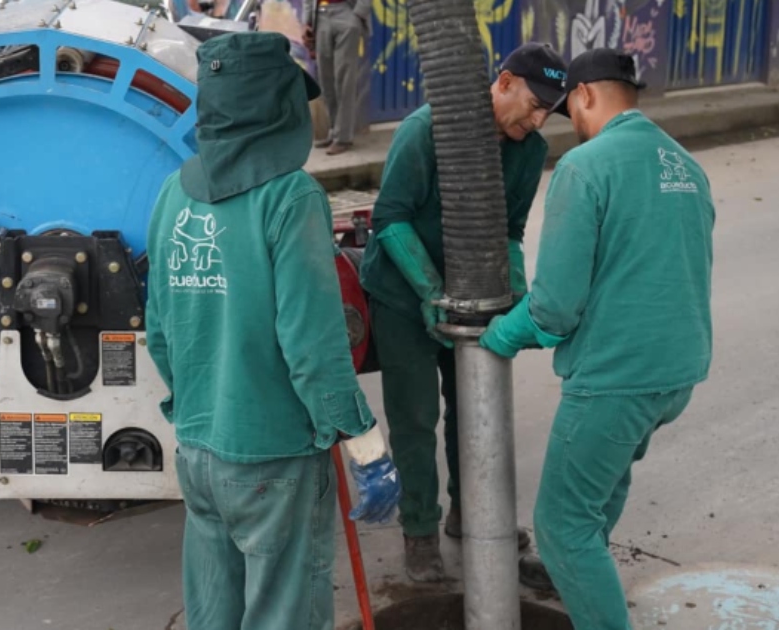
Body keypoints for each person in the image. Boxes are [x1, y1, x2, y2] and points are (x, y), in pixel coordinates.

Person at [144, 31, 402, 630]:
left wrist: (195, 409)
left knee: (214, 611)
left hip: (199, 452)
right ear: (276, 104)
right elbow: (314, 346)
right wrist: (365, 446)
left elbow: (159, 329)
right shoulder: (290, 196)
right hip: (274, 457)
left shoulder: (173, 194)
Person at [479, 48, 715, 629]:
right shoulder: (685, 165)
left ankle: (593, 598)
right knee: (602, 489)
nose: (568, 124)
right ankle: (584, 582)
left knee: (562, 526)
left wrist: (497, 337)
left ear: (584, 94)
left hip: (616, 377)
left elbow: (554, 308)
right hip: (677, 373)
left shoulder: (585, 167)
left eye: (569, 110)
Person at [356, 41, 568, 582]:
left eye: (549, 111)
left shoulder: (528, 150)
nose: (539, 119)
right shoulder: (427, 130)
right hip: (402, 295)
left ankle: (471, 514)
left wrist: (517, 299)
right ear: (504, 83)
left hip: (475, 295)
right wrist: (430, 292)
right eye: (534, 104)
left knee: (475, 411)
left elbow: (510, 231)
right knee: (415, 416)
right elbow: (391, 217)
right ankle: (420, 531)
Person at [304, 0, 372, 155]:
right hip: (320, 15)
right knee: (325, 81)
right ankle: (334, 131)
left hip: (346, 11)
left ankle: (343, 138)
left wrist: (357, 16)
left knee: (345, 79)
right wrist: (307, 21)